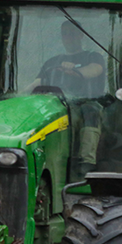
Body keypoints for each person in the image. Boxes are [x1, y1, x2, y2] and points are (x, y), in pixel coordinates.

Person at [29, 22, 106, 178]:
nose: (68, 38)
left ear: (81, 35)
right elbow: (37, 83)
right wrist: (18, 95)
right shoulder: (52, 61)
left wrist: (75, 70)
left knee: (91, 110)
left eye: (72, 34)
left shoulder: (93, 57)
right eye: (65, 34)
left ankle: (87, 161)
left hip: (84, 103)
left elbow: (94, 70)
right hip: (57, 103)